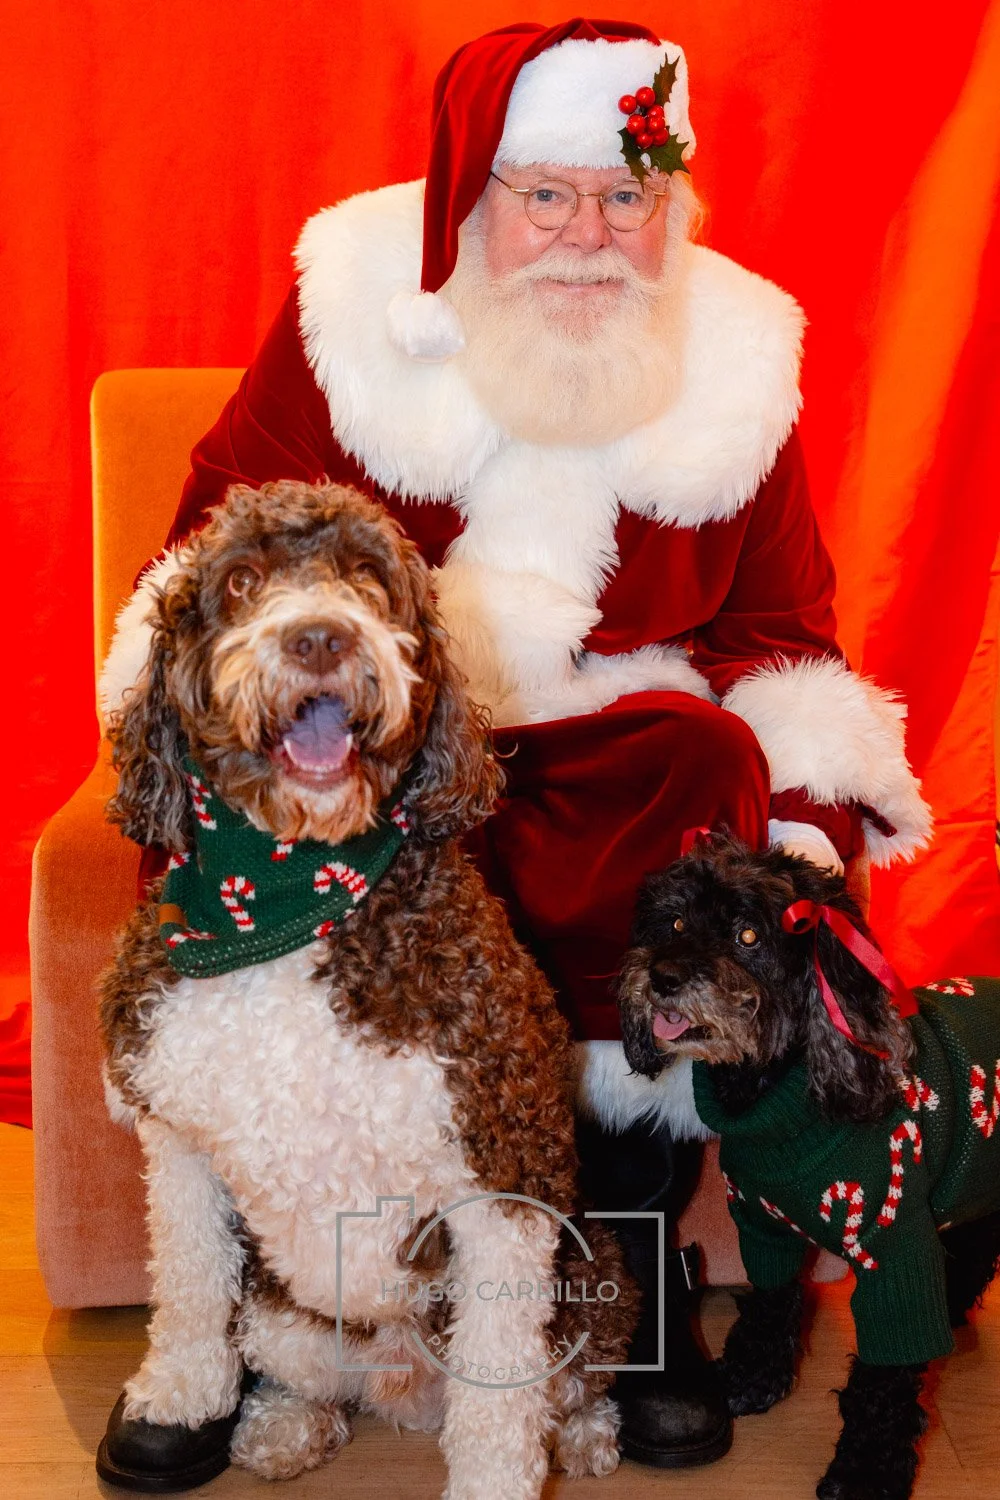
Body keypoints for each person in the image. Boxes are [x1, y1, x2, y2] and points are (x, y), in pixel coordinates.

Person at [101, 16, 932, 1476]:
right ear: (473, 193)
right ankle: (250, 1325)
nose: (588, 235)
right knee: (391, 808)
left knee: (700, 772)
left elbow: (788, 633)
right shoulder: (348, 317)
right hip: (390, 757)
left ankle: (626, 1289)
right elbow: (206, 560)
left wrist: (800, 825)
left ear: (671, 206)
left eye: (627, 196)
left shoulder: (741, 360)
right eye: (547, 192)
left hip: (628, 782)